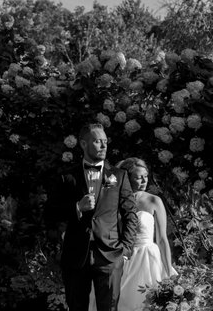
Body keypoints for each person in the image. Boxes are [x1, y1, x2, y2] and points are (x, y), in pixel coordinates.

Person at [48, 122, 138, 311]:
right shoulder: (67, 177)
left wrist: (126, 250)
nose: (104, 146)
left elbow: (130, 213)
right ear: (83, 144)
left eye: (105, 141)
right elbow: (51, 213)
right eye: (98, 141)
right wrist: (77, 207)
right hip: (75, 255)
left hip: (110, 256)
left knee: (109, 308)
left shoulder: (119, 176)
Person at [116, 157, 177, 311]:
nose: (144, 180)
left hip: (149, 259)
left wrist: (168, 269)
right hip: (122, 256)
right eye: (138, 177)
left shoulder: (154, 200)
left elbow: (162, 239)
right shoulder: (116, 200)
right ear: (127, 178)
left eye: (145, 176)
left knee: (149, 301)